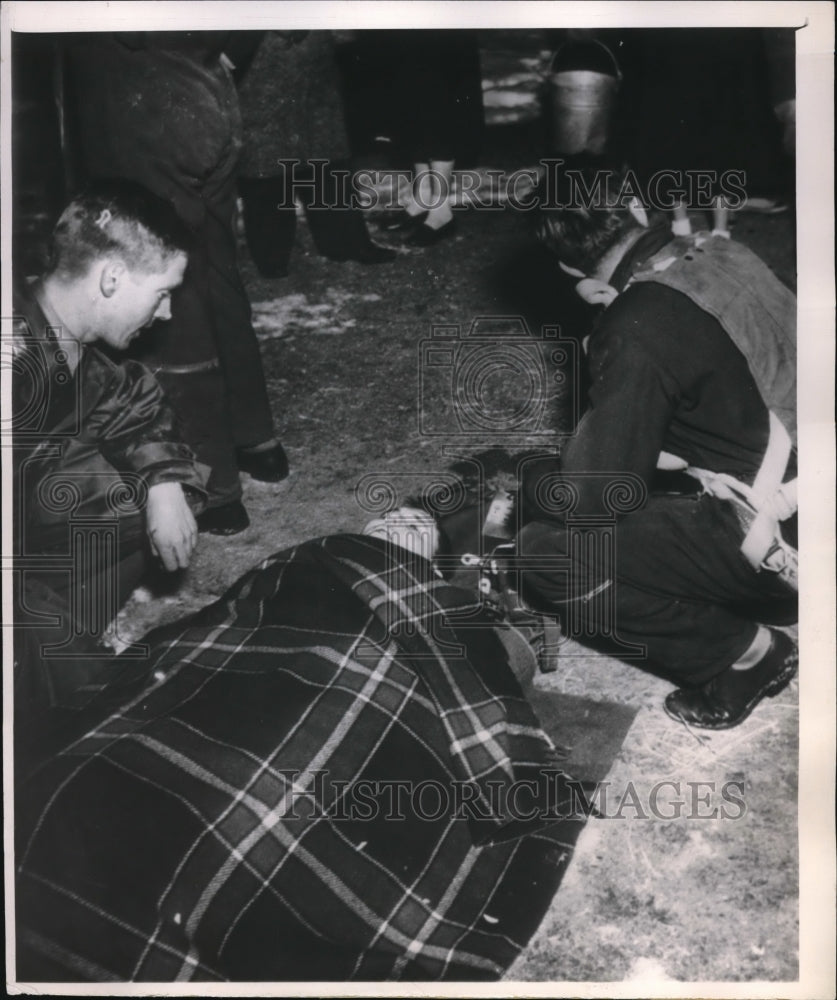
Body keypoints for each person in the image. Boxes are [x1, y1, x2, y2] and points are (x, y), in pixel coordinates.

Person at [517, 163, 798, 730]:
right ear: (639, 210)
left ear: (569, 265)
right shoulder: (724, 251)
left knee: (544, 548)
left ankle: (746, 655)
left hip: (788, 537)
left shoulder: (634, 325)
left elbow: (593, 499)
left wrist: (610, 343)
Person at [61, 32, 288, 536]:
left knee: (166, 293)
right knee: (214, 267)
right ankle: (256, 439)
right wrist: (228, 50)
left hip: (138, 95)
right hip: (204, 86)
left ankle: (214, 484)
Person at [11, 180, 208, 716]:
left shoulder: (67, 339)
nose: (166, 313)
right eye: (162, 291)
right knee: (95, 700)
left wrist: (164, 485)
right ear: (113, 278)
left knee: (156, 491)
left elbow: (132, 401)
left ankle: (67, 638)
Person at [235, 30, 395, 277]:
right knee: (267, 165)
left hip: (315, 58)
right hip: (258, 57)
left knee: (327, 157)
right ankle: (272, 259)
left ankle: (346, 244)